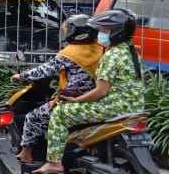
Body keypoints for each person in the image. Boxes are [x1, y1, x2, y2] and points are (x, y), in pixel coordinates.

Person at [33, 9, 144, 174]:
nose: (100, 34)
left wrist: (75, 100)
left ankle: (54, 163)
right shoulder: (131, 52)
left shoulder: (111, 56)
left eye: (104, 30)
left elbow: (100, 92)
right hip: (135, 107)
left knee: (60, 113)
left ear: (116, 32)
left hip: (112, 107)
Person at [11, 14, 103, 164]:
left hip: (73, 98)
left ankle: (26, 153)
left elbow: (45, 70)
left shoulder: (70, 52)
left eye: (69, 30)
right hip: (95, 98)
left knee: (33, 117)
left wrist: (23, 76)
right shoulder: (100, 50)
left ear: (77, 33)